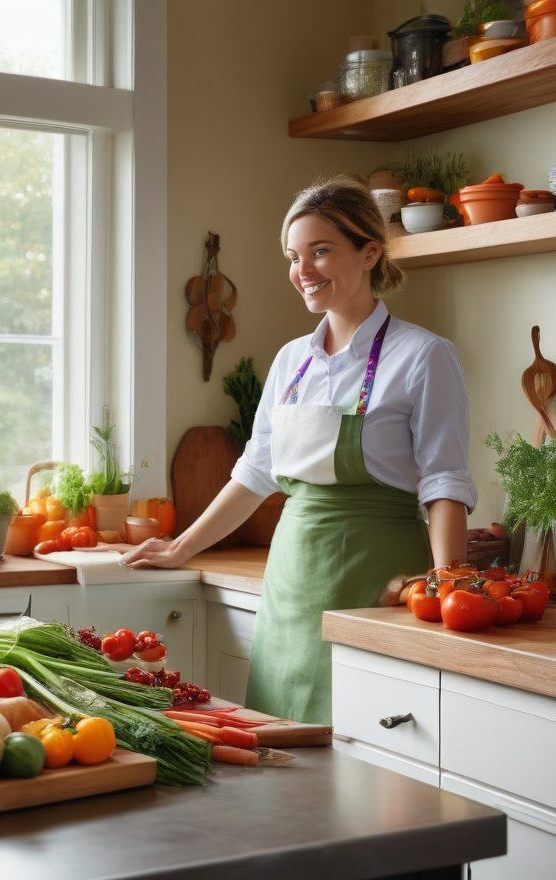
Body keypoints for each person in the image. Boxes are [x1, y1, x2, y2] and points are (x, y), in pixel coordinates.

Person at [121, 176, 476, 725]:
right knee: (281, 745)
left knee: (368, 742)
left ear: (370, 252)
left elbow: (444, 482)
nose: (302, 271)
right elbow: (257, 471)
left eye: (320, 251)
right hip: (291, 580)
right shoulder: (292, 361)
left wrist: (449, 589)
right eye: (293, 256)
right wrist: (180, 547)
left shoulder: (425, 356)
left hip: (379, 580)